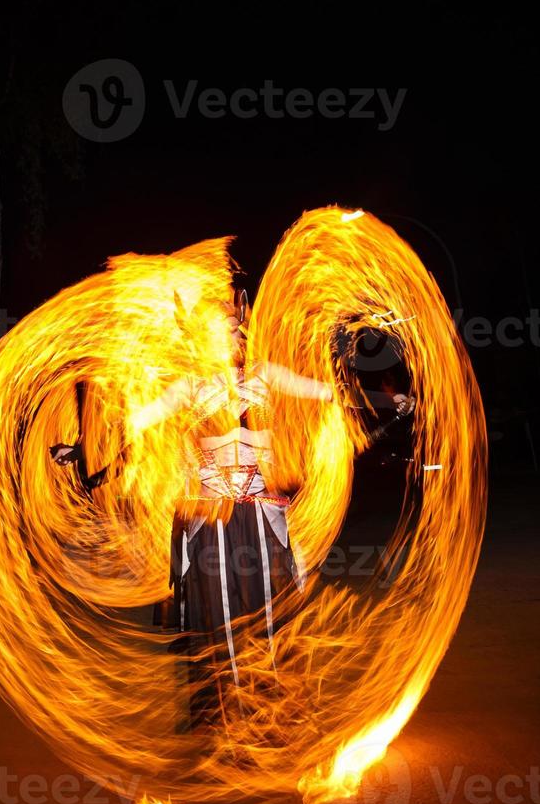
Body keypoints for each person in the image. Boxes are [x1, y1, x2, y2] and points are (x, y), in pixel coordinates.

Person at [52, 290, 413, 731]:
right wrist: (82, 449)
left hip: (258, 516)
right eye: (217, 330)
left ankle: (270, 706)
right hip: (211, 518)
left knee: (265, 608)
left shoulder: (265, 376)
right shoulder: (188, 386)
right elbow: (135, 427)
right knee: (218, 612)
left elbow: (328, 394)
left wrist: (383, 398)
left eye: (232, 327)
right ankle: (221, 712)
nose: (228, 337)